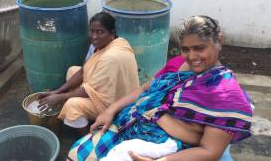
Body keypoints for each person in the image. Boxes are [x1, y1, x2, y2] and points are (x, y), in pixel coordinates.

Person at [67, 15, 253, 161]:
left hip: (159, 146)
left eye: (199, 48)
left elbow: (209, 151)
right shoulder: (181, 66)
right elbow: (143, 90)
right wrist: (110, 110)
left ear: (219, 40)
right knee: (78, 152)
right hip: (129, 125)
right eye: (186, 49)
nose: (192, 56)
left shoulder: (226, 95)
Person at [38, 12, 139, 130]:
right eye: (92, 31)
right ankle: (83, 114)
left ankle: (87, 136)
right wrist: (57, 91)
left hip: (116, 102)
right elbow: (83, 71)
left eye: (100, 32)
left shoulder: (111, 57)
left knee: (72, 105)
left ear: (112, 33)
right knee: (72, 71)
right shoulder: (102, 44)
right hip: (107, 87)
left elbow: (88, 90)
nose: (94, 36)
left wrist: (60, 97)